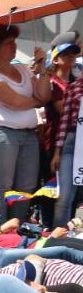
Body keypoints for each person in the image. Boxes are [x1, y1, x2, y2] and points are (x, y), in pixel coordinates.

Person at [0, 25, 51, 220]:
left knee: (25, 187)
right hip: (0, 134)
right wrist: (37, 102)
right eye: (8, 43)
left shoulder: (23, 69)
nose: (14, 46)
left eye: (14, 42)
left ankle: (16, 230)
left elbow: (45, 95)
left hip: (28, 135)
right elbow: (16, 103)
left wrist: (42, 69)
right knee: (2, 187)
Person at [52, 52, 83, 227]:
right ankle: (58, 236)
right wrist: (57, 152)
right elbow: (63, 121)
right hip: (72, 140)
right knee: (65, 195)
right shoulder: (73, 87)